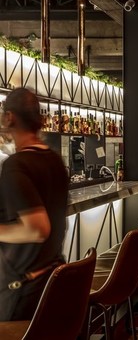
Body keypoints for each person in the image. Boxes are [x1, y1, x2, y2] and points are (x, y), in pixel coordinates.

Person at [0, 88, 69, 321]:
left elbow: (37, 229)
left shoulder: (16, 165)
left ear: (9, 117)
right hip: (53, 282)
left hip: (24, 293)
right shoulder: (54, 159)